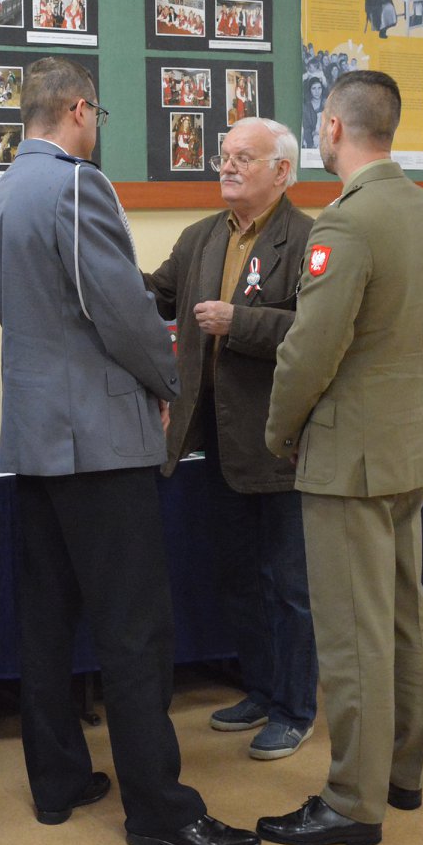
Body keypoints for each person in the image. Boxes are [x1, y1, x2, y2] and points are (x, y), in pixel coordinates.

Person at [0, 56, 260, 845]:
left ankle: (58, 778)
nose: (96, 128)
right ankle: (159, 808)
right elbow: (124, 312)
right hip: (99, 439)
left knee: (46, 621)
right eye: (96, 115)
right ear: (77, 109)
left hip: (36, 436)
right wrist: (167, 381)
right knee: (135, 628)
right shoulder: (77, 187)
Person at [257, 69, 423, 845]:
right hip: (407, 446)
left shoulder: (345, 225)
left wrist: (280, 430)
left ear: (333, 127)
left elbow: (309, 351)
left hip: (348, 457)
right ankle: (401, 771)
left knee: (351, 634)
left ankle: (351, 799)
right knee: (404, 615)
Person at [144, 116, 319, 761]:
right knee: (240, 577)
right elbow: (157, 297)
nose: (227, 166)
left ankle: (296, 709)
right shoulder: (200, 238)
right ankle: (263, 691)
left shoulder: (309, 238)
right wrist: (97, 264)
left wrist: (239, 322)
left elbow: (318, 330)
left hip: (279, 439)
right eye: (224, 155)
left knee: (288, 584)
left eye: (244, 157)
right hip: (216, 437)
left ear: (282, 171)